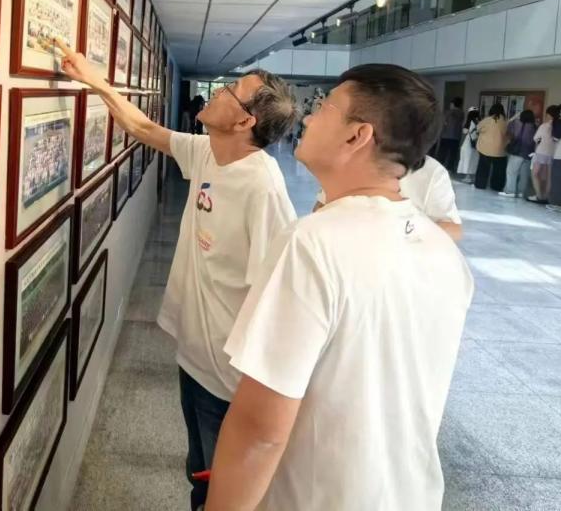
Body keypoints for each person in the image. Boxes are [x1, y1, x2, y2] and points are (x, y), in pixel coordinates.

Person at [205, 64, 473, 511]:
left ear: (357, 135)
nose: (309, 118)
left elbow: (259, 431)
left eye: (325, 109)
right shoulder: (443, 252)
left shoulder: (313, 243)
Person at [53, 39, 297, 511]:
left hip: (228, 380)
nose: (220, 91)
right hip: (195, 355)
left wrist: (258, 398)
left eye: (232, 90)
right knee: (198, 473)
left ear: (245, 121)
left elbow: (280, 299)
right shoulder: (209, 151)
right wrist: (93, 80)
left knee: (218, 489)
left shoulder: (263, 189)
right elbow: (143, 128)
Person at [315, 155, 463, 241]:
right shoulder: (349, 161)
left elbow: (453, 229)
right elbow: (320, 211)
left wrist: (404, 234)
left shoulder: (431, 171)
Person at [527, 104, 560, 203]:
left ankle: (538, 195)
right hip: (552, 154)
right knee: (548, 177)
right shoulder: (559, 127)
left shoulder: (544, 126)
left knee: (535, 174)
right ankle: (545, 196)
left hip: (541, 152)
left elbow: (536, 139)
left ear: (549, 115)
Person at [501, 109, 537, 198]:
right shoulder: (535, 126)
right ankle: (521, 192)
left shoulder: (517, 123)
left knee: (511, 172)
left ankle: (510, 191)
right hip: (529, 153)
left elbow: (507, 129)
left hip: (517, 152)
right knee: (524, 174)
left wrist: (514, 117)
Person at [474, 104, 509, 191]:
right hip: (500, 151)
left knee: (483, 168)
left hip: (485, 149)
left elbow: (477, 128)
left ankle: (480, 184)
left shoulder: (487, 120)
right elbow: (508, 134)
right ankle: (497, 186)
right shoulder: (505, 122)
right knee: (499, 170)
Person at [437, 97, 464, 172]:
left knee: (442, 153)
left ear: (452, 104)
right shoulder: (462, 113)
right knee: (453, 154)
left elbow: (443, 123)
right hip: (456, 137)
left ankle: (439, 167)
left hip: (446, 135)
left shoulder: (447, 112)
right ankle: (450, 168)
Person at [456, 107, 480, 183]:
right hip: (476, 143)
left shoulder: (469, 122)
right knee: (473, 159)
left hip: (468, 143)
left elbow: (464, 132)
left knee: (467, 159)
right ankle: (472, 177)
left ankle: (467, 177)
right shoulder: (479, 122)